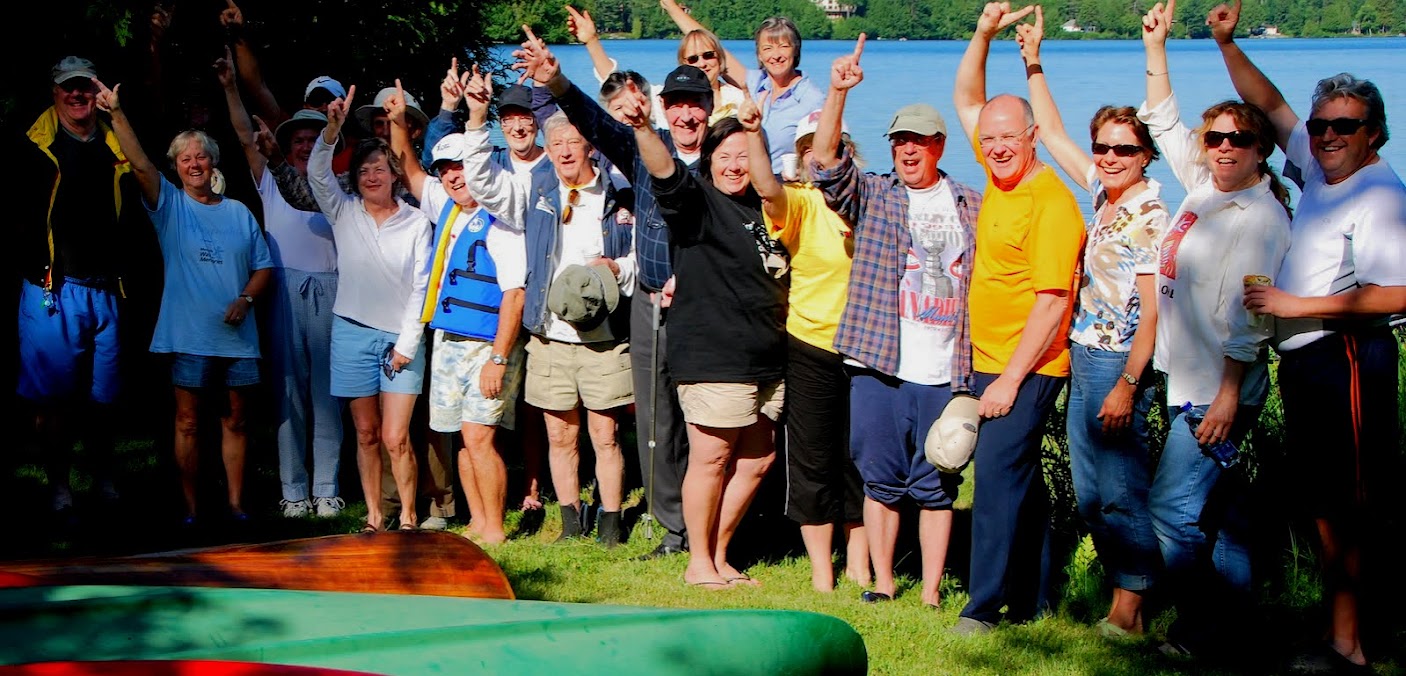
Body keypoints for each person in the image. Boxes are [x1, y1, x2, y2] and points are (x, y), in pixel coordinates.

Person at [1211, 1, 1406, 670]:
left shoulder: (1379, 193)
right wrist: (1225, 42)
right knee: (1323, 503)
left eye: (1342, 126)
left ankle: (1351, 645)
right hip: (1306, 362)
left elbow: (1399, 292)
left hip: (1346, 359)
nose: (1324, 135)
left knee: (1351, 505)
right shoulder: (1322, 167)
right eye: (1321, 124)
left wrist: (1298, 304)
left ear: (1372, 133)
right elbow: (1268, 101)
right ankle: (1337, 631)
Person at [1138, 0, 1292, 657]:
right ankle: (1238, 631)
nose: (1224, 148)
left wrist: (1228, 396)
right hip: (1192, 381)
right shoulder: (1204, 187)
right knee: (1222, 518)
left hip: (1215, 391)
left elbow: (1250, 319)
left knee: (1171, 511)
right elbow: (1165, 121)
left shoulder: (1260, 217)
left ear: (1262, 152)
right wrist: (1156, 47)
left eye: (1240, 140)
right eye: (1216, 138)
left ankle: (1200, 631)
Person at [810, 35, 983, 606]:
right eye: (899, 142)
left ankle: (932, 592)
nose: (908, 151)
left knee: (938, 484)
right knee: (881, 480)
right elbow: (825, 163)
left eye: (919, 141)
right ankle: (883, 584)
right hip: (879, 362)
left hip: (946, 366)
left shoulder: (972, 204)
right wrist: (837, 92)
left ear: (939, 145)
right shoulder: (875, 195)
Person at [522, 35, 707, 559]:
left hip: (704, 308)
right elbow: (593, 122)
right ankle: (671, 529)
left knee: (707, 422)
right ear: (663, 109)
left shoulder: (722, 154)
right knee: (655, 423)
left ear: (710, 107)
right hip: (649, 306)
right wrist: (554, 81)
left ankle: (711, 525)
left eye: (697, 104)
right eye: (678, 105)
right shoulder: (647, 151)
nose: (688, 115)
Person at [1016, 8, 1170, 637]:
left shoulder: (1152, 215)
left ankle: (1131, 610)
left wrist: (1129, 384)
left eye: (1123, 149)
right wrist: (1033, 62)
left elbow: (1153, 309)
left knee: (1120, 490)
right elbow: (1050, 133)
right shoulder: (1107, 198)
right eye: (1102, 146)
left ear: (1146, 155)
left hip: (1118, 363)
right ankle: (1124, 592)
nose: (1107, 157)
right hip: (1084, 354)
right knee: (1088, 492)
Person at [950, 2, 1087, 634]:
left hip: (1029, 364)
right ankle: (1034, 597)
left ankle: (982, 607)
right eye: (989, 137)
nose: (998, 145)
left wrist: (1008, 380)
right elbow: (967, 96)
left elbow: (1053, 301)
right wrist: (983, 34)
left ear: (1034, 138)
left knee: (997, 477)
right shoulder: (999, 172)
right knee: (1022, 480)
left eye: (1011, 136)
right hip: (990, 358)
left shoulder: (1051, 201)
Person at [620, 79, 788, 587]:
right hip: (714, 354)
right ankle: (699, 563)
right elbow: (665, 173)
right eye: (725, 156)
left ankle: (716, 553)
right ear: (709, 161)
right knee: (712, 456)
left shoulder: (763, 209)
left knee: (758, 458)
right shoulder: (698, 204)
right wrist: (644, 126)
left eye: (744, 155)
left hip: (765, 357)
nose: (734, 165)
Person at [462, 63, 636, 548]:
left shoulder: (616, 194)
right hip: (550, 336)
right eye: (556, 145)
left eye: (572, 144)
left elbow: (640, 254)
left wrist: (618, 270)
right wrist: (477, 121)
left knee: (604, 436)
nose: (562, 152)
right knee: (560, 436)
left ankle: (611, 523)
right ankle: (570, 521)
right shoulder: (534, 193)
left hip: (603, 339)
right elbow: (485, 185)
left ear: (588, 149)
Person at [94, 78, 274, 527]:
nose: (194, 164)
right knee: (188, 422)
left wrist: (246, 299)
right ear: (175, 167)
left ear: (214, 161)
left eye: (201, 156)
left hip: (237, 336)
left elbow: (264, 266)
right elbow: (137, 164)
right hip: (188, 333)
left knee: (235, 421)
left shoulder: (238, 211)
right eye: (185, 158)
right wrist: (115, 113)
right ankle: (191, 509)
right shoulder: (170, 205)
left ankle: (235, 505)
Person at [388, 80, 529, 545]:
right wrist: (397, 122)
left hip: (488, 345)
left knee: (479, 437)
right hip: (449, 339)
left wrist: (499, 357)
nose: (452, 176)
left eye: (461, 167)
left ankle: (496, 528)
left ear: (477, 168)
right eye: (445, 169)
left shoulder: (501, 219)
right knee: (461, 438)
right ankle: (478, 520)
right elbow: (408, 169)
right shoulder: (447, 207)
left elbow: (514, 294)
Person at [15, 56, 144, 521]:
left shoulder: (116, 144)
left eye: (85, 88)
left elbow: (147, 186)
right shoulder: (30, 146)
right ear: (54, 92)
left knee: (104, 398)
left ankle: (105, 478)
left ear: (98, 93)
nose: (77, 96)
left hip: (108, 287)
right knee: (53, 399)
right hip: (53, 288)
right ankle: (59, 486)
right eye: (68, 88)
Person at [749, 101, 871, 594]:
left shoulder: (870, 199)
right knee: (813, 459)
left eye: (829, 148)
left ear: (847, 152)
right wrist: (756, 137)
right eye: (807, 152)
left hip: (866, 349)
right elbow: (765, 188)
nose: (818, 159)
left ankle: (860, 562)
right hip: (811, 345)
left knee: (861, 459)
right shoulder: (798, 201)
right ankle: (824, 569)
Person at [218, 48, 345, 519]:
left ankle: (327, 486)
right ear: (287, 145)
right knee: (288, 389)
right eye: (298, 140)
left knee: (327, 392)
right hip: (284, 292)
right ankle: (293, 489)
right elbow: (240, 133)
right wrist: (231, 88)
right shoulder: (270, 177)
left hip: (331, 289)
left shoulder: (339, 184)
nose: (305, 146)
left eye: (315, 140)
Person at [309, 85, 434, 533]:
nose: (371, 176)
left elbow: (423, 287)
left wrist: (407, 343)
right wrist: (332, 129)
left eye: (380, 168)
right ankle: (375, 518)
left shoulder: (418, 221)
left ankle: (409, 517)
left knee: (395, 437)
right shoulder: (343, 212)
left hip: (401, 339)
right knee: (365, 434)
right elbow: (318, 175)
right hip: (351, 333)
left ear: (396, 174)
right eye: (364, 170)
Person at [656, 2, 824, 177]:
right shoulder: (755, 83)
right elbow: (710, 47)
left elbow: (826, 150)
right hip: (743, 183)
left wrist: (805, 173)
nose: (776, 55)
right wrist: (671, 7)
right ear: (759, 54)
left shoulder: (811, 98)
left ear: (796, 50)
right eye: (767, 48)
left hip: (784, 186)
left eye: (784, 46)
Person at [567, 4, 744, 126]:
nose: (702, 63)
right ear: (683, 63)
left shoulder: (740, 99)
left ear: (719, 58)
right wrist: (592, 41)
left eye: (708, 55)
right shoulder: (665, 99)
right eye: (693, 59)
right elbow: (616, 85)